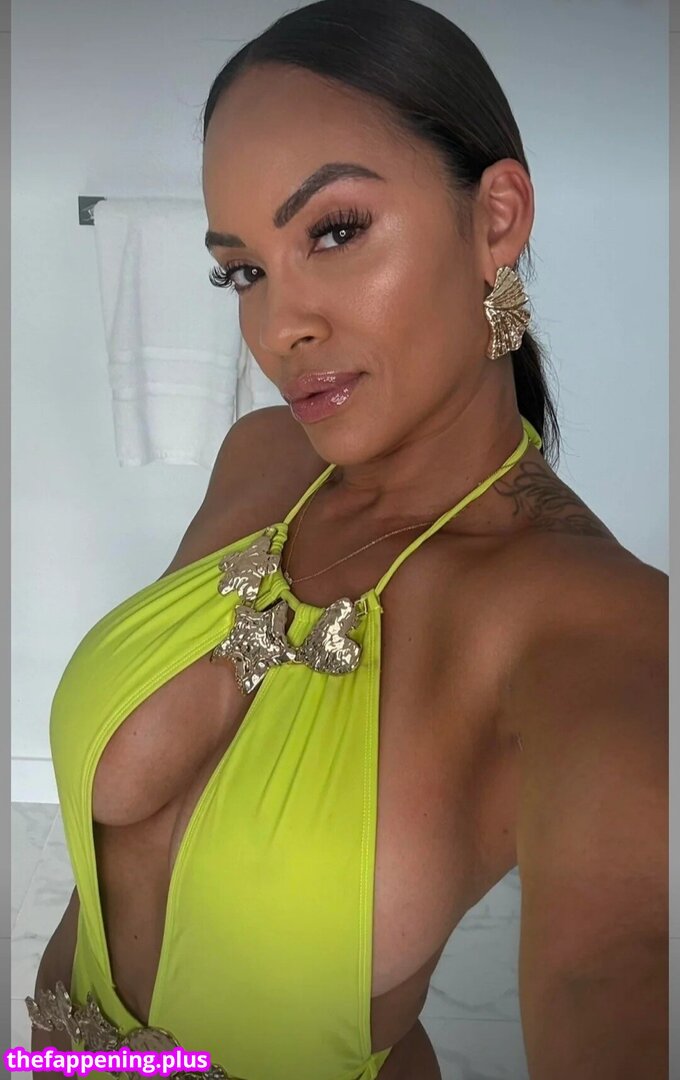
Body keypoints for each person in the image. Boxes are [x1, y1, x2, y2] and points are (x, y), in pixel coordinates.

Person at [28, 1, 668, 1078]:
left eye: (333, 231)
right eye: (243, 270)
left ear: (495, 219)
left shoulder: (598, 624)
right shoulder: (263, 457)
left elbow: (617, 968)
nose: (278, 327)